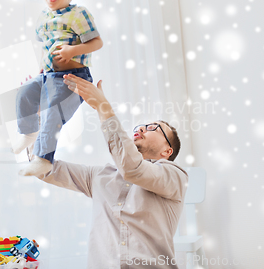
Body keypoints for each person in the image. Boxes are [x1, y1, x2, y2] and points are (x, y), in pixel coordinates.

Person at [35, 74, 189, 269]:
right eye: (140, 126)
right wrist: (43, 118)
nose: (141, 128)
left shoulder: (174, 176)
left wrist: (103, 107)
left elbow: (133, 169)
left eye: (153, 128)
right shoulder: (100, 176)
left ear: (167, 151)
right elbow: (44, 169)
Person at [13, 0, 103, 177]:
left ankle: (43, 159)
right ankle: (29, 131)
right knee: (23, 94)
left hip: (73, 77)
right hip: (49, 75)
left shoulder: (79, 14)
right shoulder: (43, 17)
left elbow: (96, 42)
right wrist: (42, 71)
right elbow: (46, 47)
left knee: (54, 110)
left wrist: (72, 51)